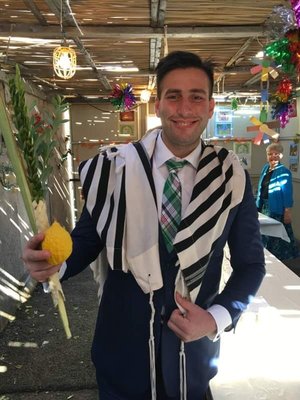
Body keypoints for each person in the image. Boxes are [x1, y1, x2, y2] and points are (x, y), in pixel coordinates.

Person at [22, 51, 266, 400]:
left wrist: (215, 319)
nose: (185, 108)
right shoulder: (114, 169)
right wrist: (52, 263)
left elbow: (251, 264)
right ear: (158, 105)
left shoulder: (231, 178)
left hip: (192, 360)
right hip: (122, 359)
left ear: (210, 107)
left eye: (196, 97)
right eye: (174, 96)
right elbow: (87, 242)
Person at [256, 142, 299, 261]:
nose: (273, 157)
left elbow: (287, 193)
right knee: (263, 233)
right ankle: (264, 257)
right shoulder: (265, 168)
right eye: (270, 154)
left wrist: (287, 211)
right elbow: (261, 187)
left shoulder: (284, 171)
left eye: (276, 154)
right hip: (263, 206)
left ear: (281, 156)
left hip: (276, 208)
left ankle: (278, 261)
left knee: (275, 236)